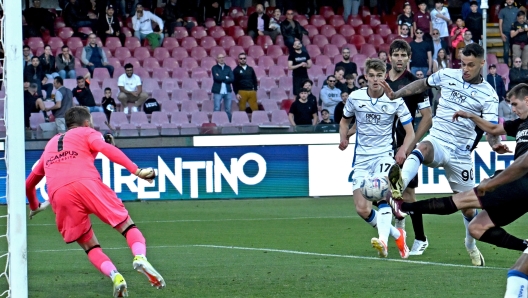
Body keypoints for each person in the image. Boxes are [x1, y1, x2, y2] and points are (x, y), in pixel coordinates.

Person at [25, 106, 165, 297]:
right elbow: (105, 149)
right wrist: (136, 171)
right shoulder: (88, 132)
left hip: (59, 194)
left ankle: (115, 276)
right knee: (127, 226)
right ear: (87, 123)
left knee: (90, 246)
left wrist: (35, 207)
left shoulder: (50, 144)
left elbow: (29, 185)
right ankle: (140, 257)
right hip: (86, 183)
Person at [380, 43, 499, 266]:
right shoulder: (446, 75)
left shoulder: (489, 95)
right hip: (439, 140)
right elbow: (421, 84)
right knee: (422, 148)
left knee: (468, 209)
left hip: (461, 154)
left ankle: (470, 246)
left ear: (482, 63)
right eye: (463, 63)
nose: (465, 69)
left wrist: (495, 143)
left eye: (471, 65)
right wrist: (397, 93)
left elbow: (491, 128)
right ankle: (400, 185)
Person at [389, 83, 528, 257]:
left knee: (462, 200)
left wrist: (492, 182)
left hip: (522, 182)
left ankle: (405, 206)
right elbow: (493, 129)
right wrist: (471, 116)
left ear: (527, 100)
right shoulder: (521, 124)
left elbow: (524, 163)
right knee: (477, 227)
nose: (513, 109)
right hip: (521, 191)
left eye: (515, 104)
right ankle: (525, 246)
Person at [339, 58, 414, 259]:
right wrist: (343, 138)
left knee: (381, 194)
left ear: (385, 76)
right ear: (365, 77)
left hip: (384, 155)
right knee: (362, 209)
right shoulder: (355, 97)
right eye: (371, 76)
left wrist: (403, 150)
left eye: (379, 76)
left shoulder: (395, 99)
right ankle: (397, 234)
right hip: (362, 158)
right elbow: (344, 121)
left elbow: (411, 132)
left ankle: (383, 242)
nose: (375, 79)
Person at [385, 39, 433, 255]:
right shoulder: (381, 82)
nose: (400, 59)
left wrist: (410, 147)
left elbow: (427, 118)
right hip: (382, 148)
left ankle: (420, 238)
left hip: (404, 146)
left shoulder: (415, 84)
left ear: (409, 58)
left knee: (409, 196)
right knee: (382, 192)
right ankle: (398, 231)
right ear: (389, 57)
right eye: (396, 54)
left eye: (404, 55)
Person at [211, 53, 235, 120]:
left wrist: (221, 77)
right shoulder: (214, 68)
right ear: (217, 59)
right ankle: (216, 122)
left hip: (227, 91)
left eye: (222, 57)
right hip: (218, 91)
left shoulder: (228, 68)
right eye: (220, 58)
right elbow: (216, 78)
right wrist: (226, 77)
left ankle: (228, 123)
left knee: (228, 109)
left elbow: (232, 79)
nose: (221, 59)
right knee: (217, 108)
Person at [499, 0, 520, 66]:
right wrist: (501, 33)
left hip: (515, 34)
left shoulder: (517, 10)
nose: (509, 1)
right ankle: (506, 66)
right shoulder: (502, 11)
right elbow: (500, 23)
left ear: (513, 0)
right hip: (506, 33)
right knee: (506, 51)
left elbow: (520, 21)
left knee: (514, 51)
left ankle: (514, 67)